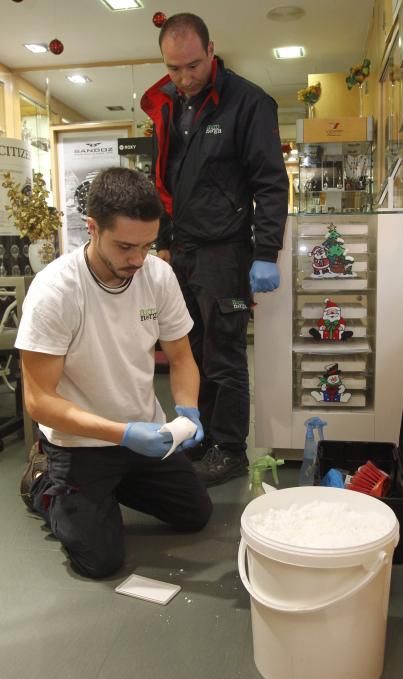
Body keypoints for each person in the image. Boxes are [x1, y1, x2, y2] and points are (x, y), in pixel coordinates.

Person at [15, 167, 212, 580]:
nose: (138, 259)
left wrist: (188, 409)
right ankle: (42, 482)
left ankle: (106, 490)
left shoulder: (157, 275)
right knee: (99, 562)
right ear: (92, 228)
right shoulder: (56, 291)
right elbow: (39, 401)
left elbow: (180, 357)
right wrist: (120, 434)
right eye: (125, 247)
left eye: (148, 245)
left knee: (196, 514)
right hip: (80, 442)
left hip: (145, 433)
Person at [141, 13, 289, 486]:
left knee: (224, 355)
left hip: (226, 251)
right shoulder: (170, 106)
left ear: (211, 51)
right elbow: (164, 183)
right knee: (190, 349)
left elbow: (270, 183)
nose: (184, 78)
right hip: (181, 251)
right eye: (174, 68)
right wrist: (162, 243)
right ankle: (199, 434)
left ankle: (230, 448)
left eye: (192, 66)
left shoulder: (248, 103)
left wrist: (265, 251)